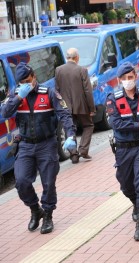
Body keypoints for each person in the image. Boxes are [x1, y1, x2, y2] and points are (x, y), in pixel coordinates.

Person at [1, 62, 77, 234]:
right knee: (21, 181)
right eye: (21, 82)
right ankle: (36, 210)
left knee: (48, 182)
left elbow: (64, 114)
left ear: (34, 77)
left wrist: (71, 135)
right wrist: (19, 97)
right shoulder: (16, 95)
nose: (26, 84)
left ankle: (48, 215)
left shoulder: (48, 93)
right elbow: (5, 112)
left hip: (46, 144)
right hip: (26, 145)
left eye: (28, 80)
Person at [106, 62, 139, 241]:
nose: (128, 81)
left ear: (136, 77)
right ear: (119, 80)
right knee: (125, 184)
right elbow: (117, 124)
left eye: (131, 77)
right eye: (125, 78)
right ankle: (136, 203)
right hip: (123, 148)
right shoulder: (112, 98)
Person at [55, 48, 95, 164]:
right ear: (77, 57)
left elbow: (57, 90)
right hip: (81, 105)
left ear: (67, 57)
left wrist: (60, 106)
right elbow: (88, 90)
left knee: (70, 128)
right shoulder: (82, 70)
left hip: (65, 106)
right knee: (88, 125)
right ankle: (83, 150)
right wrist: (91, 108)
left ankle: (73, 154)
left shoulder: (58, 70)